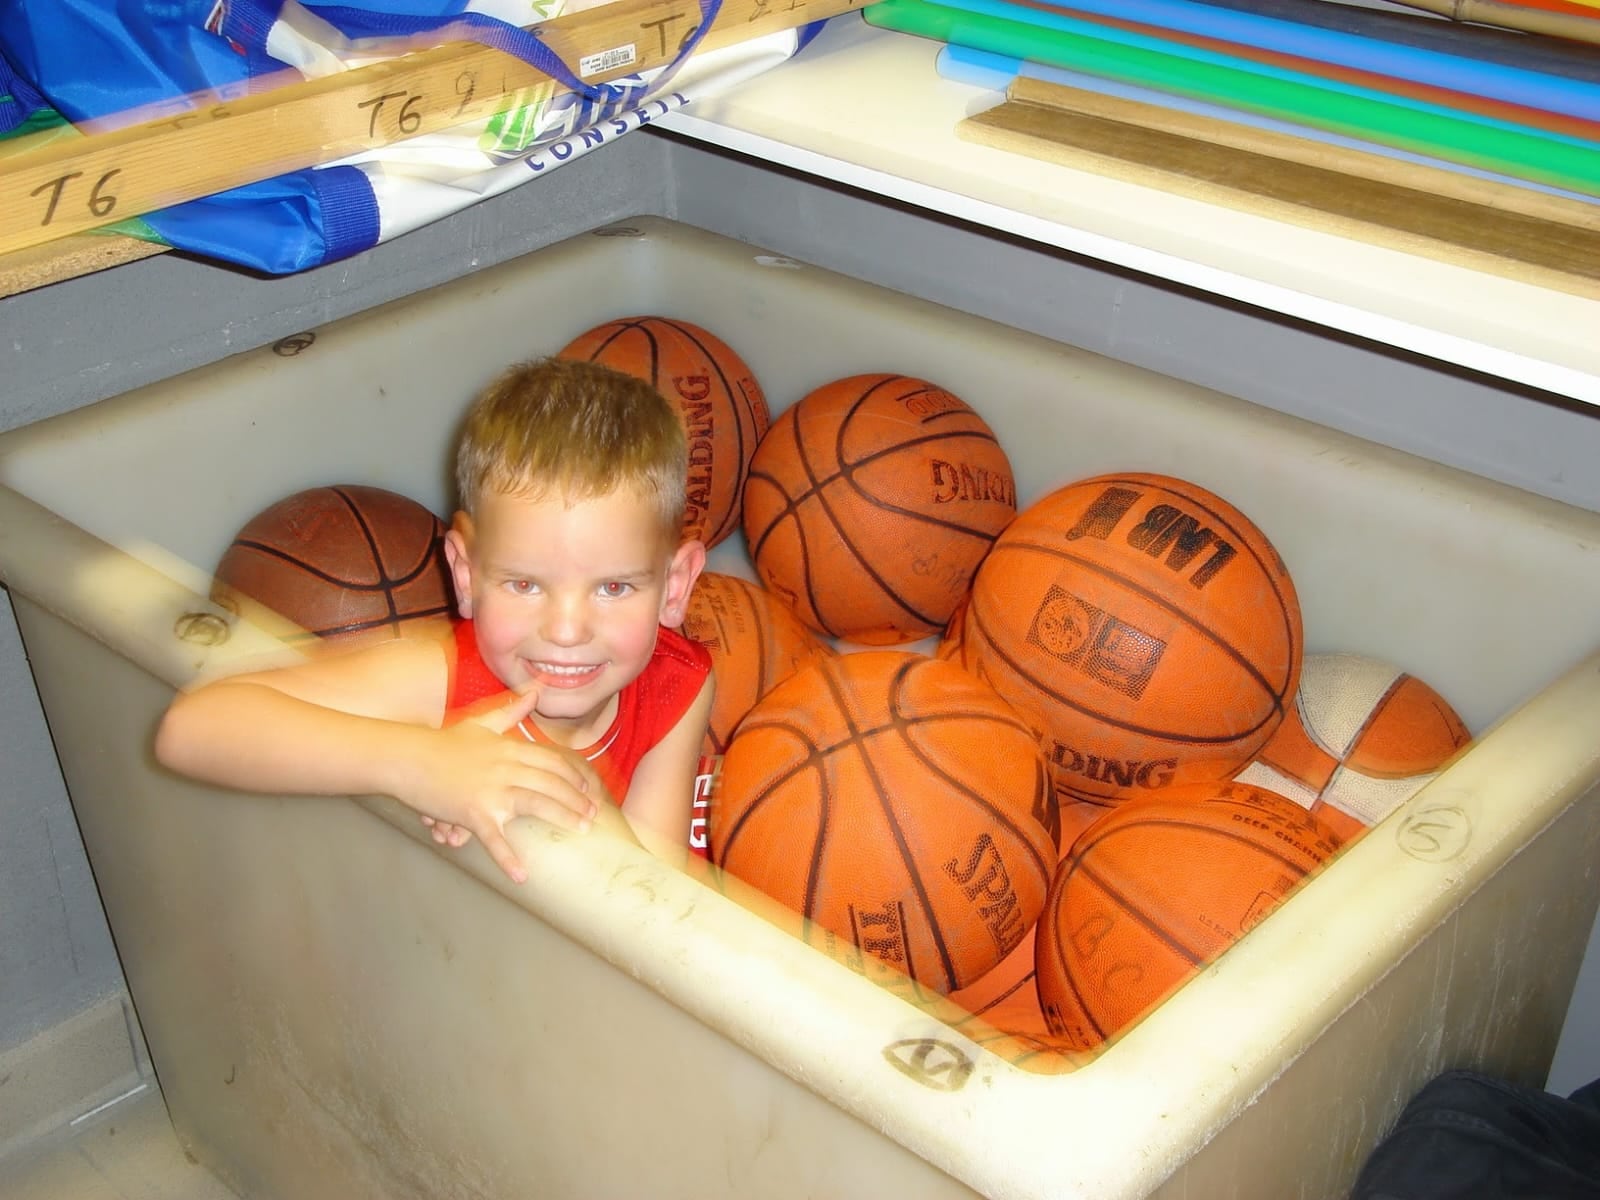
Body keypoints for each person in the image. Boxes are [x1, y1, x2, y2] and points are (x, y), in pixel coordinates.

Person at [155, 357, 712, 882]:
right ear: (465, 574)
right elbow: (193, 729)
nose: (567, 631)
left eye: (614, 588)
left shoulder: (680, 687)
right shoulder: (438, 676)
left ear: (675, 586)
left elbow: (658, 905)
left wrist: (584, 805)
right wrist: (421, 764)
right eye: (523, 584)